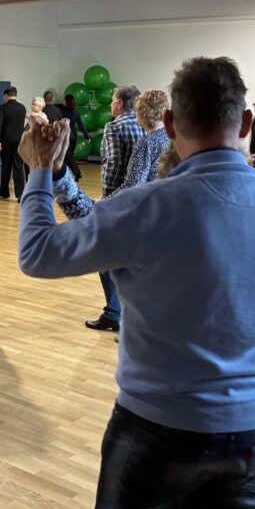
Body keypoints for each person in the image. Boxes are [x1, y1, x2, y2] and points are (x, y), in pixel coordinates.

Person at [16, 56, 255, 509]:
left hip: (157, 424)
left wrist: (41, 173)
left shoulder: (145, 205)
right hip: (250, 428)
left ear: (169, 124)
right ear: (248, 123)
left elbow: (38, 254)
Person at [86, 84, 143, 333]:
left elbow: (112, 164)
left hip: (118, 200)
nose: (110, 104)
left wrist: (106, 198)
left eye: (112, 100)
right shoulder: (146, 126)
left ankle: (113, 312)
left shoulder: (114, 127)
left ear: (119, 104)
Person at [115, 89, 170, 191]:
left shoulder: (146, 143)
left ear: (143, 113)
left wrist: (108, 199)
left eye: (137, 110)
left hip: (151, 197)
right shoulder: (171, 136)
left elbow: (133, 186)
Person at [0, 86, 27, 201]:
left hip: (6, 141)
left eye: (4, 96)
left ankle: (4, 191)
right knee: (18, 167)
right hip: (19, 141)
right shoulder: (22, 108)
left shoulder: (3, 107)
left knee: (6, 166)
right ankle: (20, 195)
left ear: (7, 96)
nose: (3, 98)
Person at [60, 94, 90, 180]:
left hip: (65, 136)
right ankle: (70, 174)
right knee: (69, 156)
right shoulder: (75, 112)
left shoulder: (61, 111)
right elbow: (81, 125)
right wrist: (87, 135)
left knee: (67, 157)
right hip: (73, 137)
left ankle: (76, 173)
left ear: (65, 101)